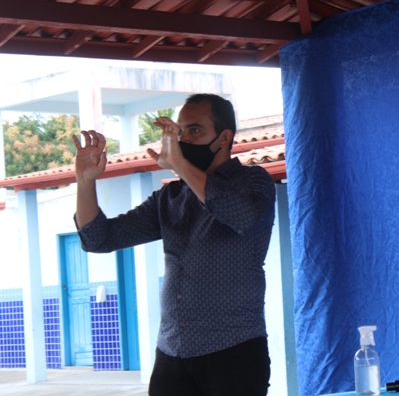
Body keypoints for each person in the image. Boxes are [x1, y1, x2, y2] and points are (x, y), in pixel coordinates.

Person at [72, 94, 276, 396]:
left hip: (234, 350)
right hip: (172, 353)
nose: (183, 140)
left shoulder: (252, 181)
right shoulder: (169, 197)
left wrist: (180, 165)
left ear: (224, 138)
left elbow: (244, 218)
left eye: (195, 130)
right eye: (179, 132)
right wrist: (85, 179)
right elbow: (99, 238)